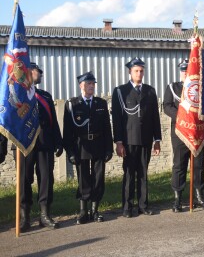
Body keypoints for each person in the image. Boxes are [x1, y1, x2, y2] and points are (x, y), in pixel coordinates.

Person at [112, 57, 161, 218]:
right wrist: (118, 142)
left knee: (143, 173)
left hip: (145, 139)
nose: (139, 73)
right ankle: (127, 206)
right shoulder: (120, 91)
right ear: (130, 72)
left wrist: (157, 140)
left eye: (141, 71)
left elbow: (155, 117)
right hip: (128, 139)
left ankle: (143, 205)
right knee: (129, 174)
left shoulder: (150, 90)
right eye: (136, 71)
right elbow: (117, 119)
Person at [63, 72, 113, 224]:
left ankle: (95, 210)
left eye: (93, 84)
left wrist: (108, 149)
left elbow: (106, 128)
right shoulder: (72, 104)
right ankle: (83, 211)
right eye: (88, 84)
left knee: (98, 179)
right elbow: (68, 131)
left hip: (98, 144)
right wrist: (70, 151)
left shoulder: (100, 103)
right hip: (81, 146)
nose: (91, 86)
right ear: (81, 85)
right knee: (83, 178)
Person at [18, 62, 63, 232]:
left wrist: (58, 141)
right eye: (38, 71)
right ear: (29, 72)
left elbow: (53, 122)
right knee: (24, 180)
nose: (41, 74)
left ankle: (45, 215)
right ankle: (24, 217)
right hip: (24, 144)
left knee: (46, 179)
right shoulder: (18, 94)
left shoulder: (45, 96)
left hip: (45, 143)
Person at [163, 59, 204, 211]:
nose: (186, 73)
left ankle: (198, 195)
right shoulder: (173, 87)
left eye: (188, 70)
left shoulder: (202, 88)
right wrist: (182, 117)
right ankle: (177, 198)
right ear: (181, 72)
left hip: (197, 132)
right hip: (180, 133)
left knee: (198, 165)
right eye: (184, 71)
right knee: (179, 165)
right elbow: (166, 106)